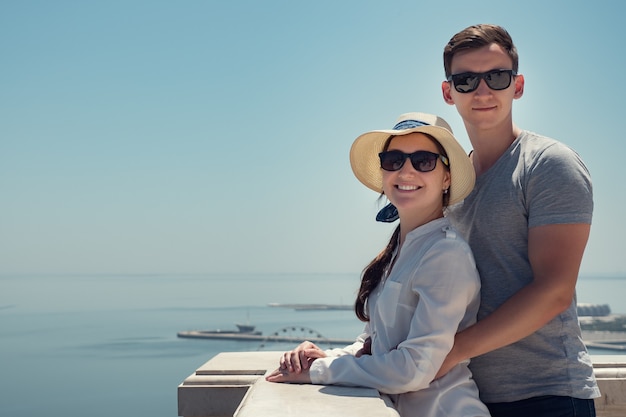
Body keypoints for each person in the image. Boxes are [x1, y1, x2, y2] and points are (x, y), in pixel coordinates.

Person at [266, 112, 491, 417]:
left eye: (423, 160)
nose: (406, 171)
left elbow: (413, 369)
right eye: (394, 159)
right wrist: (323, 357)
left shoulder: (445, 253)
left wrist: (319, 370)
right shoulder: (400, 249)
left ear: (446, 176)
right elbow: (376, 342)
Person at [436, 23, 600, 416]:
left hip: (548, 397)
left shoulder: (548, 164)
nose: (482, 90)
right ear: (448, 92)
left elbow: (554, 291)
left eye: (496, 76)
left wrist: (449, 352)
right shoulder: (449, 181)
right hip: (468, 397)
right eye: (466, 80)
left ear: (518, 85)